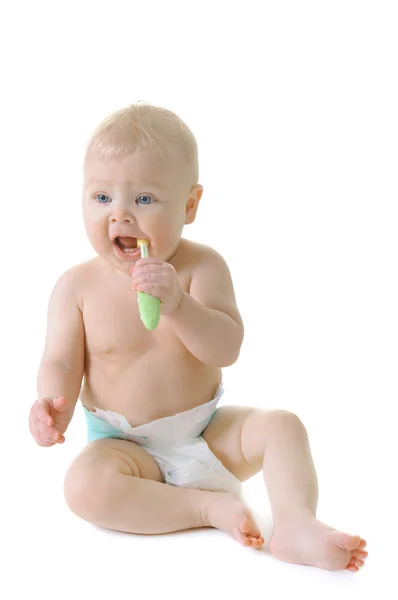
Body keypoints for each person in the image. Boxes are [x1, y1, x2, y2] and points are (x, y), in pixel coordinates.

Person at [28, 103, 367, 572]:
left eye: (144, 199)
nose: (120, 216)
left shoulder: (202, 268)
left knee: (283, 426)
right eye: (102, 197)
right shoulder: (76, 287)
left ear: (190, 205)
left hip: (206, 433)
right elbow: (61, 363)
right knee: (84, 487)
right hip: (125, 447)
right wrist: (51, 406)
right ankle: (205, 509)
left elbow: (226, 348)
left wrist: (180, 307)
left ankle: (294, 524)